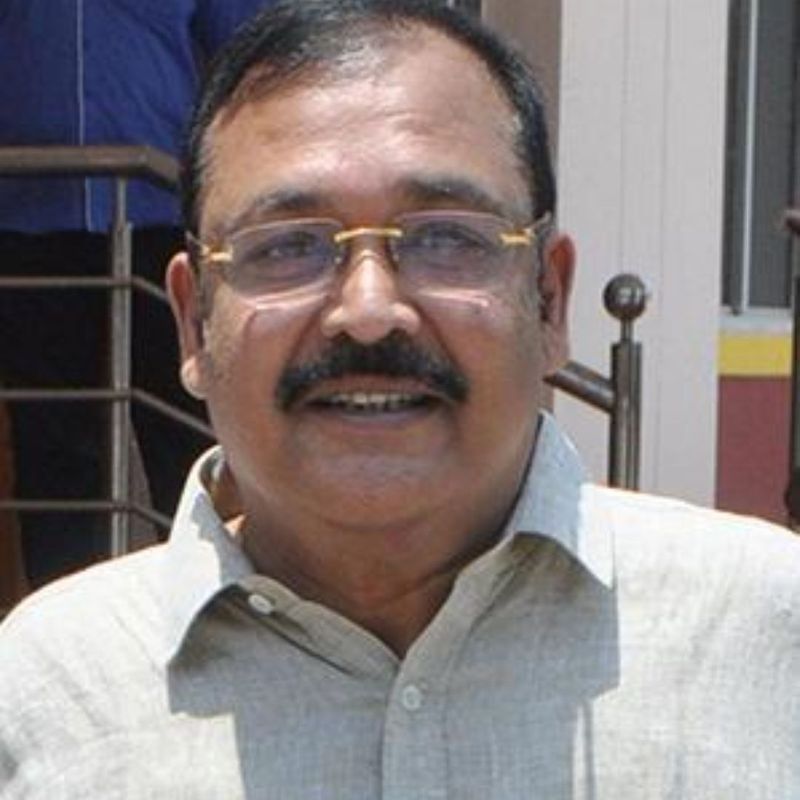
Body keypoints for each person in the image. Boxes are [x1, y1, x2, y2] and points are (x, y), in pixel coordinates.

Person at [2, 1, 799, 796]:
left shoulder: (766, 641)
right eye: (288, 245)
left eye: (446, 237)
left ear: (550, 301)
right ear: (192, 323)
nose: (369, 310)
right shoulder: (48, 699)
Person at [0, 0, 271, 589]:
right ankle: (73, 623)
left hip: (160, 210)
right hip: (28, 213)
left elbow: (252, 57)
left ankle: (218, 604)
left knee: (188, 426)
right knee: (56, 446)